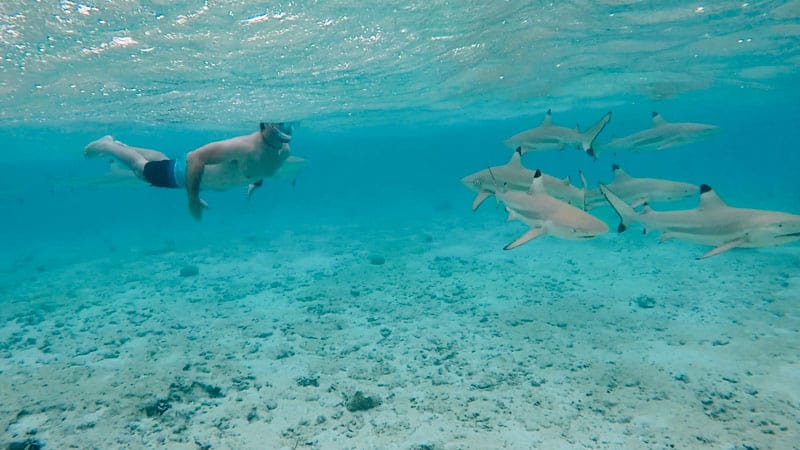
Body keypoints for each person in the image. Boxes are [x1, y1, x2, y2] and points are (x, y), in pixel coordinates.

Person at [84, 122, 295, 220]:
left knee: (159, 159)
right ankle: (108, 146)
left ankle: (124, 148)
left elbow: (259, 168)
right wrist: (192, 199)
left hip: (201, 180)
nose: (282, 134)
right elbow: (196, 157)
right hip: (181, 176)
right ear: (264, 126)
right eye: (277, 129)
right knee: (142, 171)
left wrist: (254, 184)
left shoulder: (283, 152)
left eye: (287, 129)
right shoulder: (242, 147)